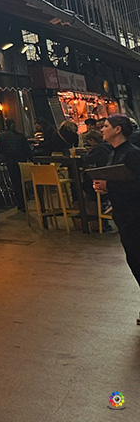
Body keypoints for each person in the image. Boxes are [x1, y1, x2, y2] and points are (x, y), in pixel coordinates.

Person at [89, 115, 140, 323]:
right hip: (123, 214)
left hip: (135, 214)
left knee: (137, 258)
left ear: (118, 129)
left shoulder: (132, 154)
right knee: (133, 258)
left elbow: (136, 183)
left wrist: (109, 185)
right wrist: (104, 187)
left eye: (106, 126)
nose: (102, 129)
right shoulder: (114, 153)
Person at [0, 119, 33, 210]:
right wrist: (31, 159)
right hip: (22, 161)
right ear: (14, 125)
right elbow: (27, 150)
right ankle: (25, 199)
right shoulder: (20, 136)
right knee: (22, 181)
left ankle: (20, 203)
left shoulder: (1, 136)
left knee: (15, 183)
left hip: (10, 162)